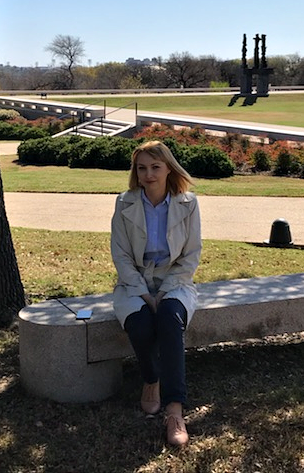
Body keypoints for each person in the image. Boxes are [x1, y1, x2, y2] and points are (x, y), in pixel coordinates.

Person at [111, 140, 202, 447]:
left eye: (155, 167)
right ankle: (152, 380)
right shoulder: (124, 203)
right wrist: (141, 290)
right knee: (139, 323)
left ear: (168, 169)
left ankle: (175, 409)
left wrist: (164, 291)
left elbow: (191, 255)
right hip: (134, 279)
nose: (148, 175)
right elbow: (121, 255)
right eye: (141, 168)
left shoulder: (188, 203)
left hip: (174, 279)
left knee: (168, 318)